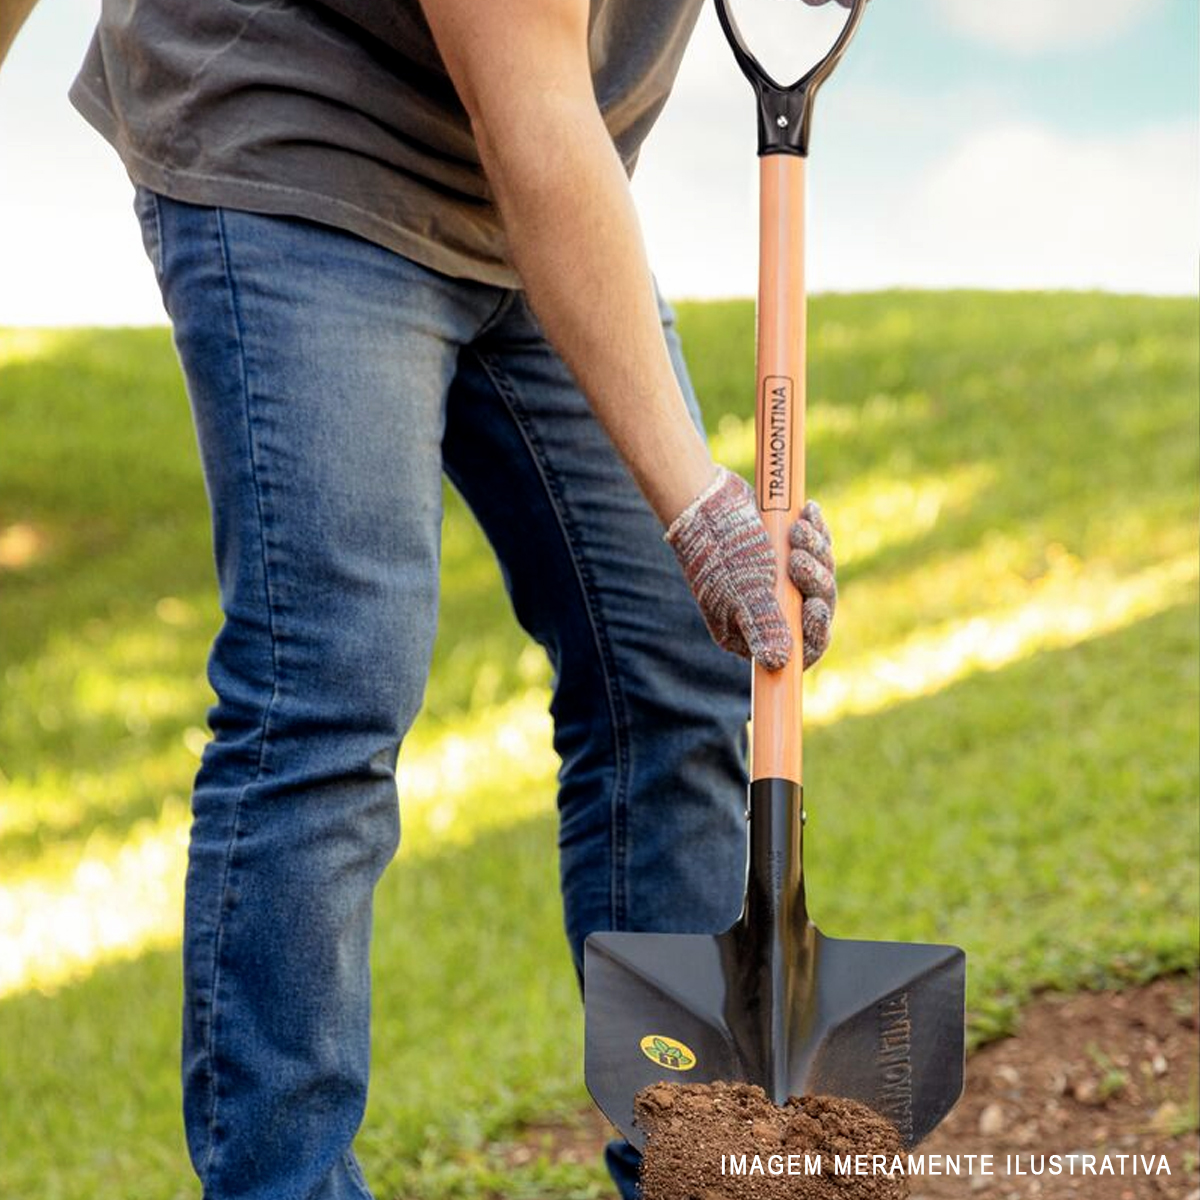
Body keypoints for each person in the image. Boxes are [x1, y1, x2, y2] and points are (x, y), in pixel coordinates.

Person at [20, 0, 845, 1194]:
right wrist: (702, 505)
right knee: (329, 689)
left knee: (675, 660)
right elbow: (529, 110)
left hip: (538, 170)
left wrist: (717, 516)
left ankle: (697, 1161)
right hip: (302, 131)